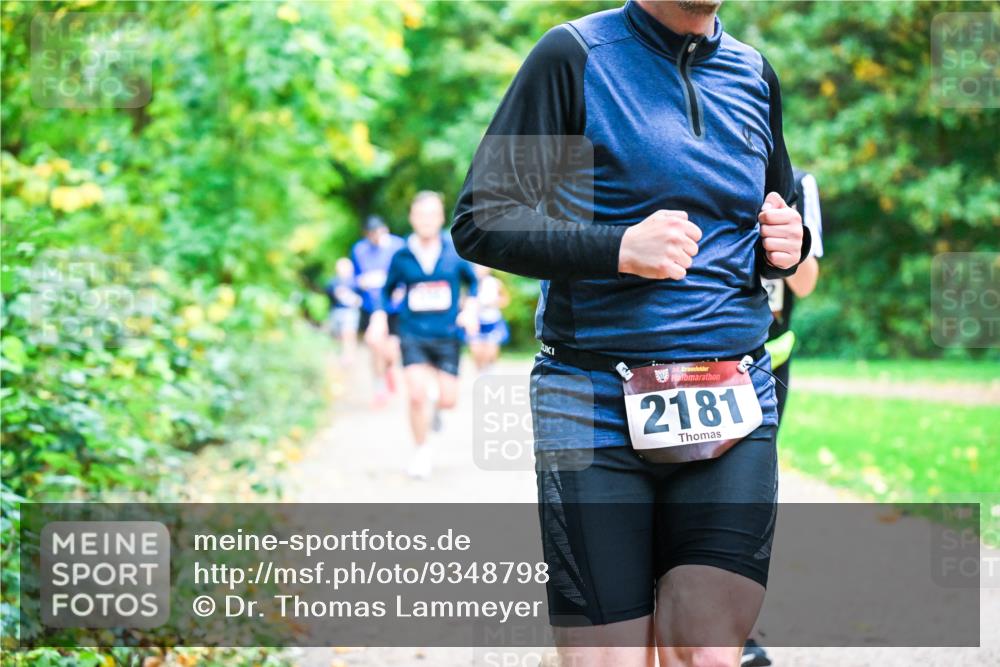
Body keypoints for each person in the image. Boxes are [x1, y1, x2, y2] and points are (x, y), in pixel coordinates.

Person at [452, 1, 809, 666]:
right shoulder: (573, 57)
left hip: (729, 392)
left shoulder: (754, 74)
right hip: (590, 397)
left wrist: (789, 241)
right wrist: (618, 247)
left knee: (705, 648)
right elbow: (482, 218)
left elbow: (771, 217)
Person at [742, 169, 823, 667]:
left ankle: (736, 628)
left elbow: (808, 283)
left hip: (767, 360)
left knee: (744, 495)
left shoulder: (797, 181)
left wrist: (781, 234)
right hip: (692, 346)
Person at [369, 191, 478, 479]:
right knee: (416, 395)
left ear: (441, 217)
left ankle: (437, 411)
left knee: (448, 399)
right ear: (412, 218)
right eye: (421, 215)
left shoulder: (454, 250)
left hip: (447, 335)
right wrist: (380, 317)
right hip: (413, 333)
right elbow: (385, 291)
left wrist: (470, 310)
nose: (427, 220)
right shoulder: (402, 255)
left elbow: (474, 284)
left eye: (432, 214)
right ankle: (421, 451)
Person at [351, 215, 405, 407]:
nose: (376, 236)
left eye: (379, 232)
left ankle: (389, 368)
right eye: (372, 234)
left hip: (395, 308)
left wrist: (402, 289)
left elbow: (408, 273)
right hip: (371, 306)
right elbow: (355, 278)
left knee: (392, 351)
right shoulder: (359, 250)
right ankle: (379, 388)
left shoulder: (399, 246)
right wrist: (360, 283)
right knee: (374, 344)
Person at [468, 265, 511, 373]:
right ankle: (480, 373)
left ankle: (490, 371)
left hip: (492, 320)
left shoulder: (495, 282)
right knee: (476, 351)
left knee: (491, 350)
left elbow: (505, 299)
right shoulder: (471, 283)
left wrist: (493, 303)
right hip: (477, 321)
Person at [324, 257, 363, 367]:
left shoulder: (356, 282)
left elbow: (361, 298)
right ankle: (339, 355)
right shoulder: (333, 282)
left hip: (350, 312)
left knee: (349, 333)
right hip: (336, 311)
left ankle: (349, 357)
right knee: (338, 335)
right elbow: (328, 293)